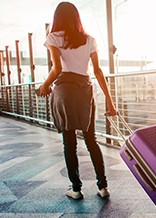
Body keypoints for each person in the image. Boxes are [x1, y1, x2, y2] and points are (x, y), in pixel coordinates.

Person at [38, 1, 117, 200]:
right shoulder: (89, 39)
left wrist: (44, 86)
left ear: (58, 18)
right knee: (91, 140)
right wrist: (110, 101)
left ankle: (76, 188)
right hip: (85, 91)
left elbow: (56, 69)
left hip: (65, 91)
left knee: (69, 143)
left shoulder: (53, 38)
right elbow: (98, 71)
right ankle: (103, 186)